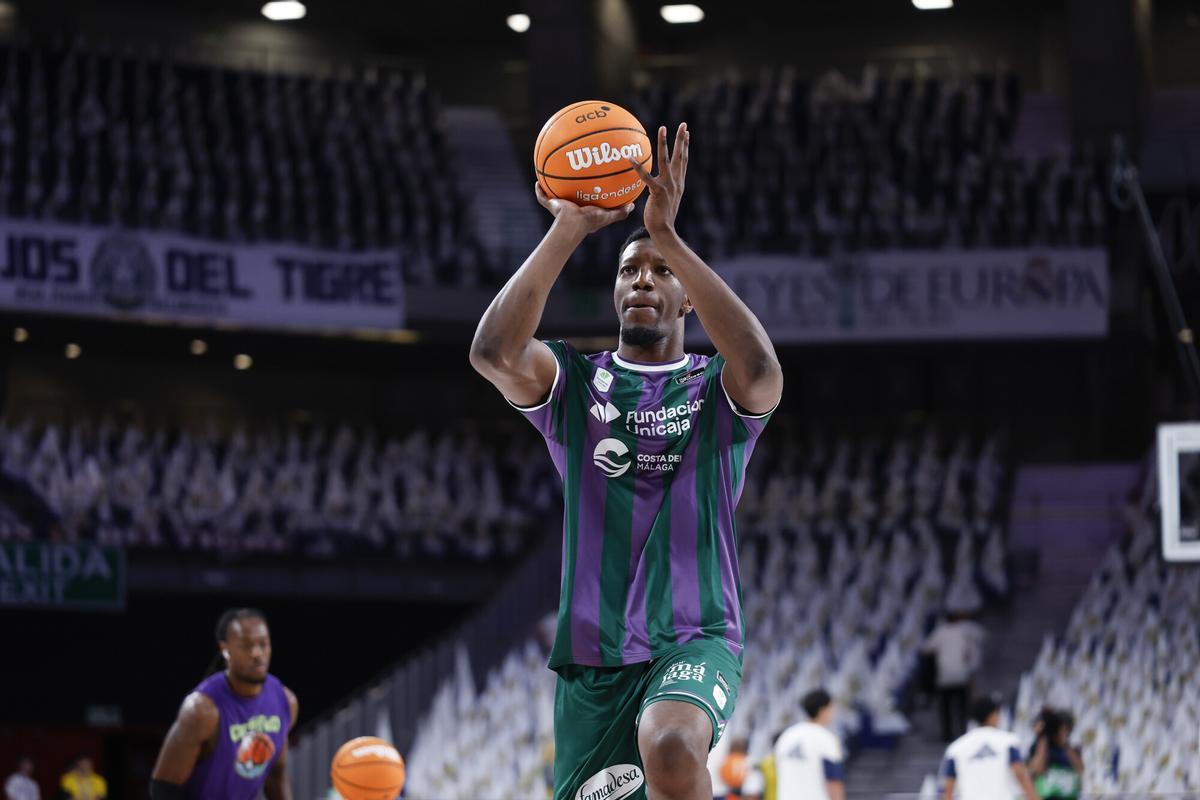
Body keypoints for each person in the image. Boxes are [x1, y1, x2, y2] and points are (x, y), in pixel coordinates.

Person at [470, 122, 783, 800]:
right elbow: (492, 353)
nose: (643, 279)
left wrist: (668, 236)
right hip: (593, 655)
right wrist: (568, 229)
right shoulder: (575, 384)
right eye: (630, 270)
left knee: (671, 753)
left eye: (662, 272)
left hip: (695, 635)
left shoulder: (713, 389)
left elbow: (760, 367)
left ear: (688, 297)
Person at [149, 608, 298, 800]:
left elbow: (275, 779)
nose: (257, 653)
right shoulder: (201, 710)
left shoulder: (285, 702)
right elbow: (163, 788)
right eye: (246, 646)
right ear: (225, 650)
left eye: (263, 644)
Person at [940, 695, 1039, 800]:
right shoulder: (1008, 742)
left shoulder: (956, 748)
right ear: (992, 715)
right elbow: (1020, 774)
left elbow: (948, 788)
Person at [921, 611, 986, 741]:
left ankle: (947, 735)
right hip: (961, 676)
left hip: (945, 677)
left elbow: (925, 650)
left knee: (945, 709)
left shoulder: (940, 632)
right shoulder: (965, 632)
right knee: (962, 708)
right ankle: (963, 732)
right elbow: (972, 653)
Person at [774, 689, 845, 800]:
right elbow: (833, 781)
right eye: (831, 708)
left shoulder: (786, 736)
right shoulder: (826, 738)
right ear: (823, 710)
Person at [1027, 707, 1083, 799]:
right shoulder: (1040, 746)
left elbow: (1080, 769)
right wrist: (1043, 736)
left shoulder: (1072, 749)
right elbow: (1037, 770)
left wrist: (1064, 743)